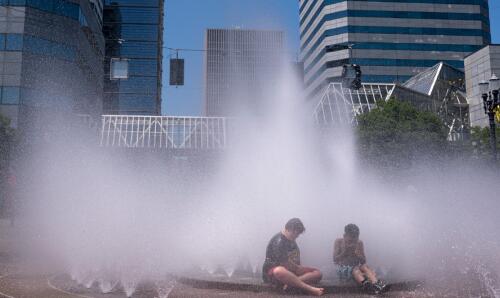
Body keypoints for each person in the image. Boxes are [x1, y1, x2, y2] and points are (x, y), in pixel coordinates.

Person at [262, 218, 324, 296]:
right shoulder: (278, 241)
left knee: (317, 273)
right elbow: (285, 264)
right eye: (295, 233)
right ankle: (311, 289)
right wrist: (298, 269)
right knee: (279, 271)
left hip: (291, 271)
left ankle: (291, 282)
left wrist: (299, 268)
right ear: (289, 229)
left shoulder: (291, 240)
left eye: (297, 234)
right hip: (273, 271)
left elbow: (295, 260)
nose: (296, 236)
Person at [333, 223, 388, 294]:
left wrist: (356, 254)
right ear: (344, 236)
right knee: (355, 270)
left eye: (355, 238)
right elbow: (335, 260)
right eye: (351, 238)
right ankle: (368, 287)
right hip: (343, 269)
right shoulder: (339, 242)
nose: (353, 241)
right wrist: (345, 252)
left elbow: (363, 261)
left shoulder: (359, 243)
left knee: (364, 267)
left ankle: (377, 284)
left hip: (357, 267)